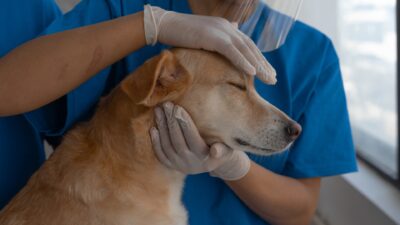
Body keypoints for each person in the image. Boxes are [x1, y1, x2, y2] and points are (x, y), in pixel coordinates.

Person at [0, 1, 357, 225]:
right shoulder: (124, 9)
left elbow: (300, 212)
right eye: (236, 88)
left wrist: (232, 167)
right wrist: (151, 25)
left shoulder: (312, 54)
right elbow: (7, 89)